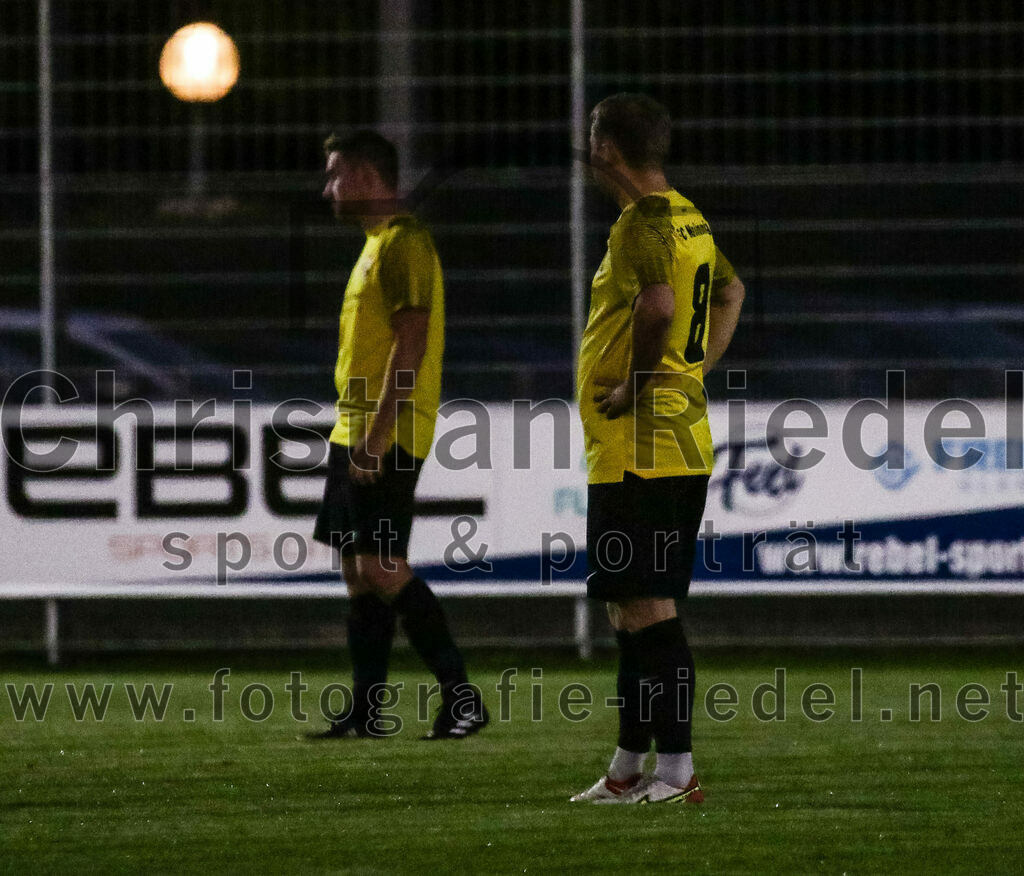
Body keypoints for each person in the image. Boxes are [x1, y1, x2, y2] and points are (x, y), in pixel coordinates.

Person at [569, 94, 745, 803]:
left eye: (591, 143)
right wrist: (692, 368)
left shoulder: (640, 224)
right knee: (628, 605)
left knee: (648, 608)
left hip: (644, 443)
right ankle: (625, 770)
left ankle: (677, 771)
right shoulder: (687, 215)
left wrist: (639, 385)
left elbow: (660, 307)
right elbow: (731, 292)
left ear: (607, 150)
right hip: (672, 439)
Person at [309, 130, 488, 740]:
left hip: (386, 433)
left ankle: (463, 699)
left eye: (335, 175)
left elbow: (409, 347)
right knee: (359, 571)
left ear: (364, 176)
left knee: (383, 567)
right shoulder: (378, 244)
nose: (327, 188)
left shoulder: (404, 243)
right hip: (353, 427)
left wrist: (379, 437)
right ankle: (366, 712)